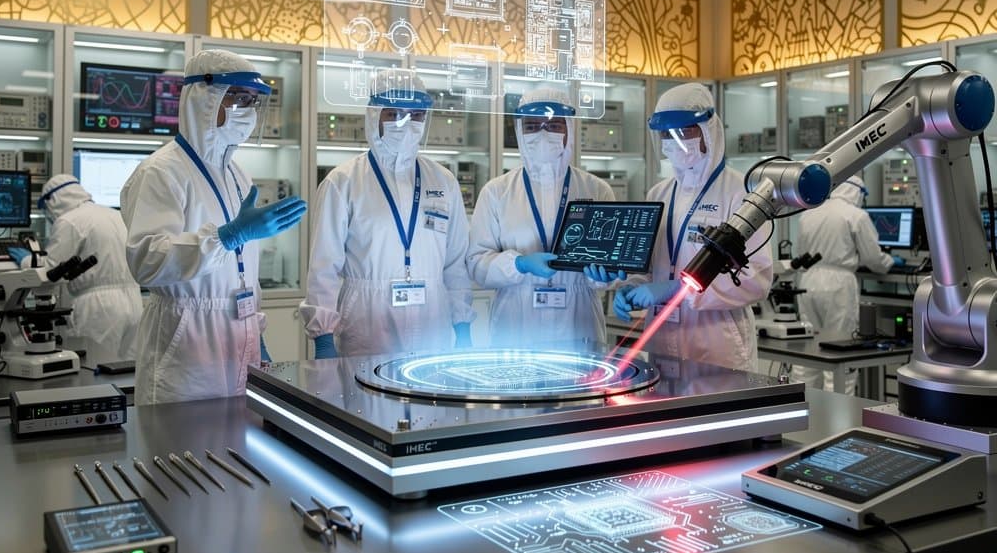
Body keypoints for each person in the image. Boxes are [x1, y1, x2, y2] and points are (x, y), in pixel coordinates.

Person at [121, 49, 307, 404]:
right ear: (205, 98)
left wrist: (257, 334)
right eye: (238, 98)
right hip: (186, 342)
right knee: (182, 436)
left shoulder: (237, 174)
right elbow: (146, 261)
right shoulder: (161, 171)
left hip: (238, 338)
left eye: (252, 101)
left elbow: (243, 274)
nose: (247, 110)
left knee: (239, 432)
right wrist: (228, 236)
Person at [300, 69, 474, 357]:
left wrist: (463, 326)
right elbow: (324, 266)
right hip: (367, 324)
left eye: (416, 114)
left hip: (433, 324)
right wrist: (323, 337)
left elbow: (455, 264)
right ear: (374, 115)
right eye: (394, 113)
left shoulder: (443, 181)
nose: (405, 123)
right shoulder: (343, 181)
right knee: (367, 387)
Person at [613, 83, 773, 371]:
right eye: (665, 134)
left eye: (683, 131)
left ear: (708, 131)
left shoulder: (741, 191)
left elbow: (756, 279)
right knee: (663, 400)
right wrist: (632, 286)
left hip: (717, 343)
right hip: (661, 338)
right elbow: (651, 266)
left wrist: (679, 290)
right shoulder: (659, 194)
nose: (672, 140)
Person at [467, 88, 616, 350]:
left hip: (578, 322)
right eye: (532, 126)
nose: (543, 134)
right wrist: (519, 264)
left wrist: (603, 274)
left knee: (581, 378)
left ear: (569, 129)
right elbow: (477, 264)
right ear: (519, 131)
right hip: (516, 324)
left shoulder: (596, 190)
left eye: (554, 125)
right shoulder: (497, 191)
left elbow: (608, 270)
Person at [8, 174, 143, 366]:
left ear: (53, 200)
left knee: (96, 366)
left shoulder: (69, 221)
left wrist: (25, 260)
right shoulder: (115, 215)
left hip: (99, 308)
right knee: (125, 368)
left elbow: (51, 270)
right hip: (134, 301)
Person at [792, 176, 901, 393]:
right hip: (839, 285)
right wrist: (890, 262)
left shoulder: (809, 213)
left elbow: (799, 254)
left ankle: (803, 407)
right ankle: (836, 411)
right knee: (840, 349)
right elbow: (873, 258)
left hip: (808, 282)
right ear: (857, 192)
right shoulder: (856, 215)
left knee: (808, 350)